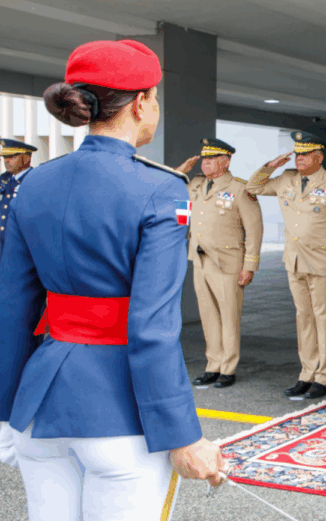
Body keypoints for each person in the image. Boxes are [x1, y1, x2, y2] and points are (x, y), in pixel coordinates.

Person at [0, 39, 223, 521]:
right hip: (118, 414)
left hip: (37, 407)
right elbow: (152, 328)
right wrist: (184, 436)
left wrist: (3, 411)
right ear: (142, 102)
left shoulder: (35, 182)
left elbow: (13, 307)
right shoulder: (161, 188)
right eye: (156, 96)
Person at [247, 132, 326, 399]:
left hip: (323, 261)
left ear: (319, 157)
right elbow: (253, 188)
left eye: (305, 154)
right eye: (297, 154)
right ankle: (306, 373)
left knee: (323, 319)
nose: (299, 158)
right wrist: (271, 166)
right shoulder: (286, 179)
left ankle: (324, 376)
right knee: (303, 318)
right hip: (294, 260)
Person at [175, 138, 263, 389]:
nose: (205, 164)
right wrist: (178, 173)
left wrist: (250, 266)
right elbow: (179, 212)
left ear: (225, 162)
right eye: (204, 160)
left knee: (228, 316)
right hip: (200, 259)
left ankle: (228, 367)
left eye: (211, 160)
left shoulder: (239, 189)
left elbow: (254, 230)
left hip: (227, 261)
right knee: (208, 316)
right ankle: (212, 365)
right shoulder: (195, 185)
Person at [0, 140, 38, 257]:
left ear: (26, 158)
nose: (6, 161)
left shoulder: (34, 180)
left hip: (20, 249)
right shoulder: (3, 179)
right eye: (5, 156)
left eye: (12, 156)